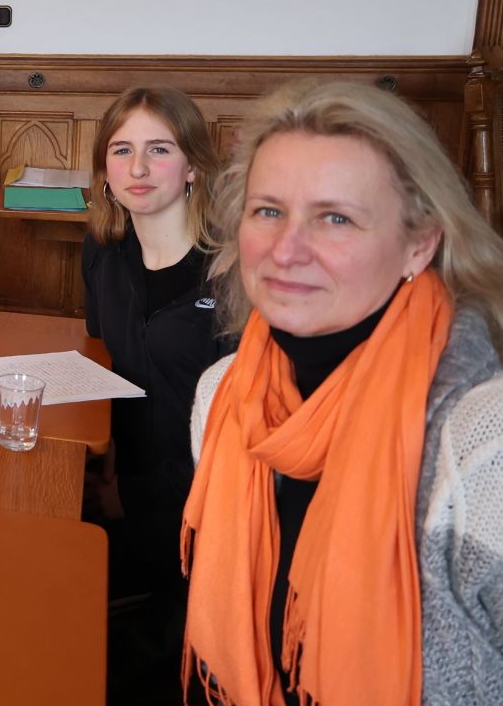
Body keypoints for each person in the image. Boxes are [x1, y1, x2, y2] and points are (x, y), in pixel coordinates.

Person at [183, 80, 503, 705]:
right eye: (268, 211)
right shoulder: (223, 396)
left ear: (420, 244)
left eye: (336, 218)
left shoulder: (482, 440)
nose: (285, 250)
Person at [81, 87, 227, 702]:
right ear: (105, 172)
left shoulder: (232, 275)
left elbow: (233, 441)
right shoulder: (104, 251)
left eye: (158, 150)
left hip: (199, 516)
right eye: (122, 151)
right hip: (110, 475)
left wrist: (126, 496)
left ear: (192, 164)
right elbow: (100, 362)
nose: (137, 170)